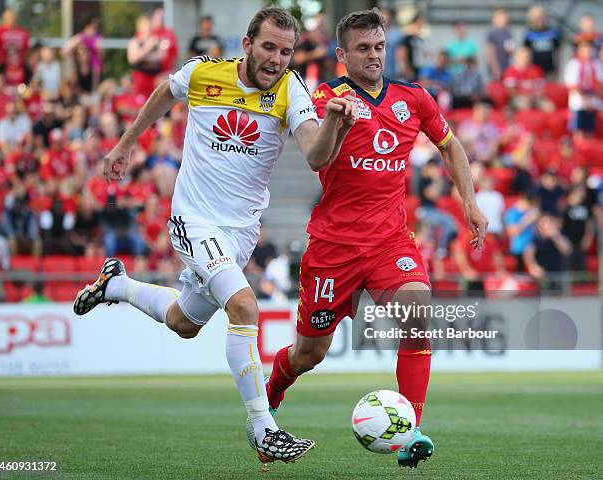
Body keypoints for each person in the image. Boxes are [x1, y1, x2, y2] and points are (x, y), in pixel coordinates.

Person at [72, 7, 356, 464]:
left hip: (239, 232)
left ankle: (117, 285)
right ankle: (263, 427)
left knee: (184, 323)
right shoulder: (204, 73)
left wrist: (334, 125)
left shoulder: (291, 89)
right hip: (194, 219)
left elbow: (315, 156)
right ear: (246, 45)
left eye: (286, 52)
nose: (277, 59)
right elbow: (165, 91)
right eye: (268, 47)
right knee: (244, 306)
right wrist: (126, 142)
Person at [260, 10, 487, 470]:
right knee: (308, 355)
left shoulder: (413, 98)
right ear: (342, 55)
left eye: (379, 46)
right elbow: (317, 160)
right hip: (333, 248)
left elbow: (451, 145)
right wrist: (334, 123)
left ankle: (410, 432)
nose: (374, 56)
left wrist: (469, 201)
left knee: (418, 315)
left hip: (389, 243)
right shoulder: (328, 98)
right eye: (363, 49)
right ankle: (269, 402)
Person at [523, 5, 561, 79]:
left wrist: (558, 66)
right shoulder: (529, 34)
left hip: (550, 69)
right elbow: (526, 51)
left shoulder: (552, 33)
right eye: (537, 18)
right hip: (534, 69)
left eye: (541, 17)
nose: (539, 20)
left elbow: (558, 51)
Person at [486, 7, 514, 82]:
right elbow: (490, 51)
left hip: (506, 64)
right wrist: (494, 67)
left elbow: (510, 50)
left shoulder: (508, 32)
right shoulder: (492, 32)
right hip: (497, 65)